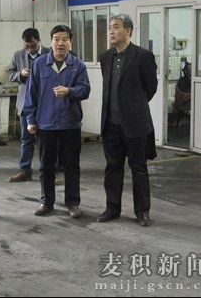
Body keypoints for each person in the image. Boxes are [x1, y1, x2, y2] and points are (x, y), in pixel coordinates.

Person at [97, 14, 158, 227]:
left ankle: (142, 211)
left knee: (138, 168)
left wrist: (133, 106)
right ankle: (112, 208)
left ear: (128, 31)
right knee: (113, 167)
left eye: (116, 27)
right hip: (110, 124)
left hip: (135, 124)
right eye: (110, 28)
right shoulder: (106, 57)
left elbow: (151, 88)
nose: (111, 31)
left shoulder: (143, 56)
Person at [23, 25, 90, 218]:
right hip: (45, 124)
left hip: (70, 123)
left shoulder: (78, 65)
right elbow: (31, 94)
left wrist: (69, 91)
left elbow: (85, 90)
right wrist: (30, 119)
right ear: (51, 41)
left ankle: (73, 203)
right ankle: (46, 202)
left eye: (64, 39)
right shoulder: (39, 64)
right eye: (56, 39)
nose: (60, 43)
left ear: (70, 42)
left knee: (71, 165)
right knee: (46, 165)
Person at [6, 28, 51, 182]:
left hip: (46, 104)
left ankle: (50, 172)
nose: (30, 49)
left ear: (39, 41)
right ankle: (25, 170)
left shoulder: (49, 54)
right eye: (27, 47)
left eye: (32, 46)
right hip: (25, 104)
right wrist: (20, 74)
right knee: (26, 140)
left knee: (47, 141)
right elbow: (10, 74)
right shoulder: (18, 55)